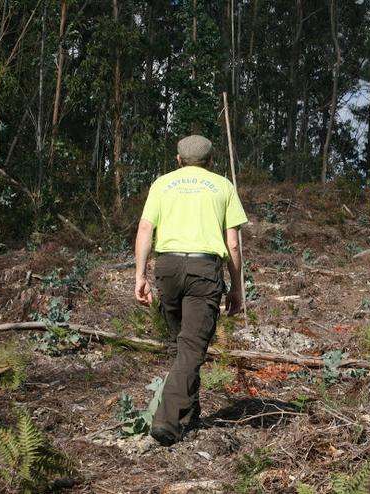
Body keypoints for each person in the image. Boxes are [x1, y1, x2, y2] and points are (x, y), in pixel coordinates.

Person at [134, 134, 247, 446]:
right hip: (204, 270)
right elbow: (233, 243)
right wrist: (237, 289)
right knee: (192, 348)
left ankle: (189, 413)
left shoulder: (162, 184)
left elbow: (145, 228)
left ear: (178, 160)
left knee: (186, 346)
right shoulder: (223, 186)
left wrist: (140, 276)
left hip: (167, 269)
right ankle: (166, 422)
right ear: (211, 162)